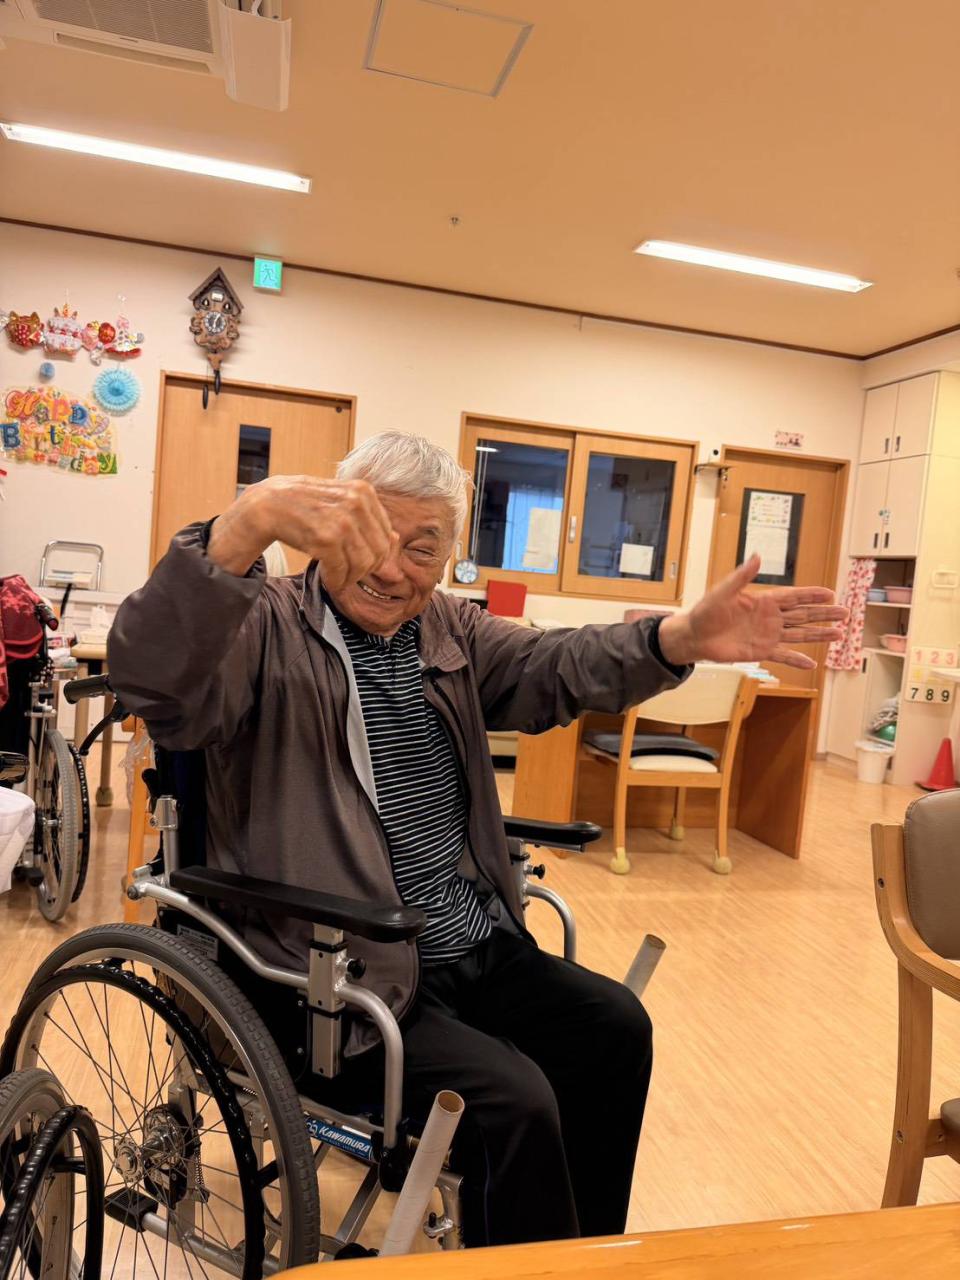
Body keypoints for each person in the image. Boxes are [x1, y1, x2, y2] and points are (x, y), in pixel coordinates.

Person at [108, 432, 845, 1248]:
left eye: (421, 549)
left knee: (615, 1029)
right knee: (511, 1102)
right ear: (326, 533)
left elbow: (554, 665)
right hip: (331, 973)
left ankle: (582, 1258)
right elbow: (151, 682)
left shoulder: (447, 631)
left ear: (449, 558)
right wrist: (244, 525)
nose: (391, 571)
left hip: (467, 942)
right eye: (372, 540)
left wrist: (673, 640)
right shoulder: (263, 624)